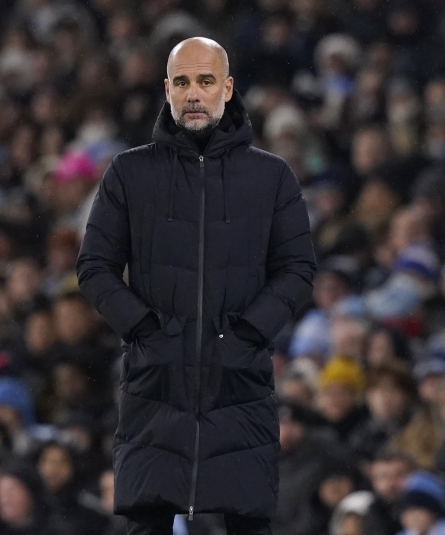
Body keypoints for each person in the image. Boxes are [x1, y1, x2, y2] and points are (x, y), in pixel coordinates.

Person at [76, 37, 316, 535]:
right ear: (167, 90)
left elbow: (297, 268)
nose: (193, 93)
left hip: (240, 381)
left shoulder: (272, 176)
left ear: (227, 89)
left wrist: (247, 335)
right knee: (147, 521)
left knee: (247, 522)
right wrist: (147, 331)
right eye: (182, 82)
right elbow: (95, 266)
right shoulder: (129, 172)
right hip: (155, 381)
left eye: (206, 81)